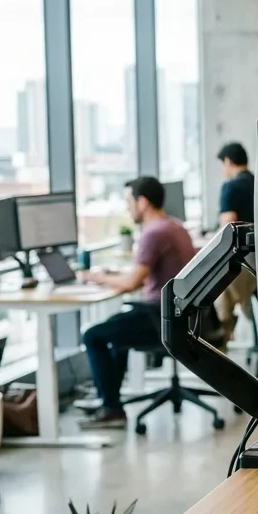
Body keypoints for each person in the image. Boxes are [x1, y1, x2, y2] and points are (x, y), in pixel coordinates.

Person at [78, 177, 197, 429]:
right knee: (115, 331)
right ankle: (111, 402)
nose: (127, 207)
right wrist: (111, 277)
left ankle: (111, 407)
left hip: (159, 319)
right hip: (180, 316)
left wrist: (92, 276)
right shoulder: (176, 227)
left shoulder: (153, 233)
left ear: (142, 202)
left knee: (92, 336)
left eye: (128, 201)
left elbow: (133, 282)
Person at [215, 142, 256, 344]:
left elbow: (227, 229)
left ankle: (222, 334)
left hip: (245, 263)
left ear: (228, 161)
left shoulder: (231, 186)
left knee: (215, 283)